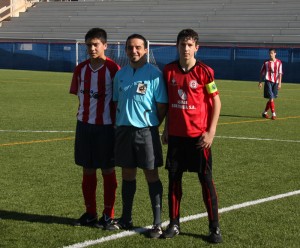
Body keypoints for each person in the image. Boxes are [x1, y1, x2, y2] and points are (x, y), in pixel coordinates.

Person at [161, 29, 222, 243]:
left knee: (205, 181)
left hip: (199, 138)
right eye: (182, 44)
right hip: (177, 137)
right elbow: (168, 103)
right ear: (176, 46)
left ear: (196, 47)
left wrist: (211, 132)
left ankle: (214, 228)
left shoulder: (205, 71)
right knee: (173, 181)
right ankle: (174, 223)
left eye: (189, 45)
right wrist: (167, 127)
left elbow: (216, 102)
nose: (185, 49)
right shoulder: (168, 71)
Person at [106, 34, 168, 239]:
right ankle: (126, 218)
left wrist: (151, 125)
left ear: (145, 49)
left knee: (151, 174)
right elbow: (116, 102)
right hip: (123, 131)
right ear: (125, 50)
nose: (134, 51)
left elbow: (161, 106)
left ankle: (157, 223)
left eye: (138, 47)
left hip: (146, 131)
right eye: (130, 48)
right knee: (127, 174)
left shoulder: (154, 74)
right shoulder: (120, 75)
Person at [69, 28, 120, 229]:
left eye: (95, 44)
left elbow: (118, 99)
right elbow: (78, 95)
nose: (91, 48)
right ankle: (90, 213)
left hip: (106, 127)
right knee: (87, 169)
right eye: (88, 44)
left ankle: (108, 215)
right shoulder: (80, 69)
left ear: (105, 46)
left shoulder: (113, 69)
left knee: (108, 169)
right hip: (84, 126)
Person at [259, 48, 283, 120]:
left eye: (272, 53)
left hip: (276, 82)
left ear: (275, 54)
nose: (270, 54)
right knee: (271, 98)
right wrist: (260, 82)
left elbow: (280, 73)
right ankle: (273, 114)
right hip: (268, 81)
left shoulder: (279, 62)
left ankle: (265, 112)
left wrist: (280, 83)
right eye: (270, 53)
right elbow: (262, 72)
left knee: (271, 99)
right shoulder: (266, 62)